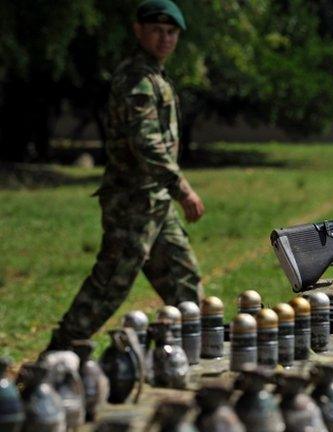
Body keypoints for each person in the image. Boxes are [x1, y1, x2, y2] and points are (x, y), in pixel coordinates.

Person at [46, 0, 205, 350]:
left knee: (184, 281)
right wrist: (183, 189)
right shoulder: (137, 80)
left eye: (171, 32)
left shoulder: (154, 75)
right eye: (156, 31)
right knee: (110, 285)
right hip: (133, 202)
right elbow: (145, 143)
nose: (165, 39)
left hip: (155, 201)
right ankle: (56, 355)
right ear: (139, 31)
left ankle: (195, 352)